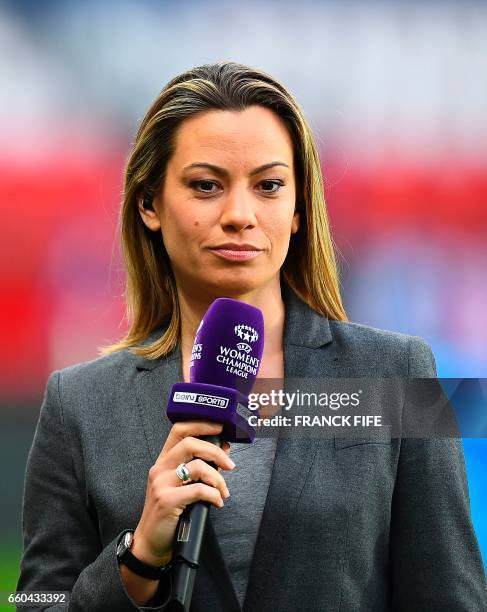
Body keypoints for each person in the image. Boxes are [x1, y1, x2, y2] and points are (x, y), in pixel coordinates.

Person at [17, 61, 486, 611]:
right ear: (149, 204)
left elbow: (451, 597)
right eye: (206, 185)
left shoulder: (398, 371)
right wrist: (139, 556)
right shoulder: (79, 404)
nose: (240, 215)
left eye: (268, 186)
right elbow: (37, 601)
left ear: (297, 208)